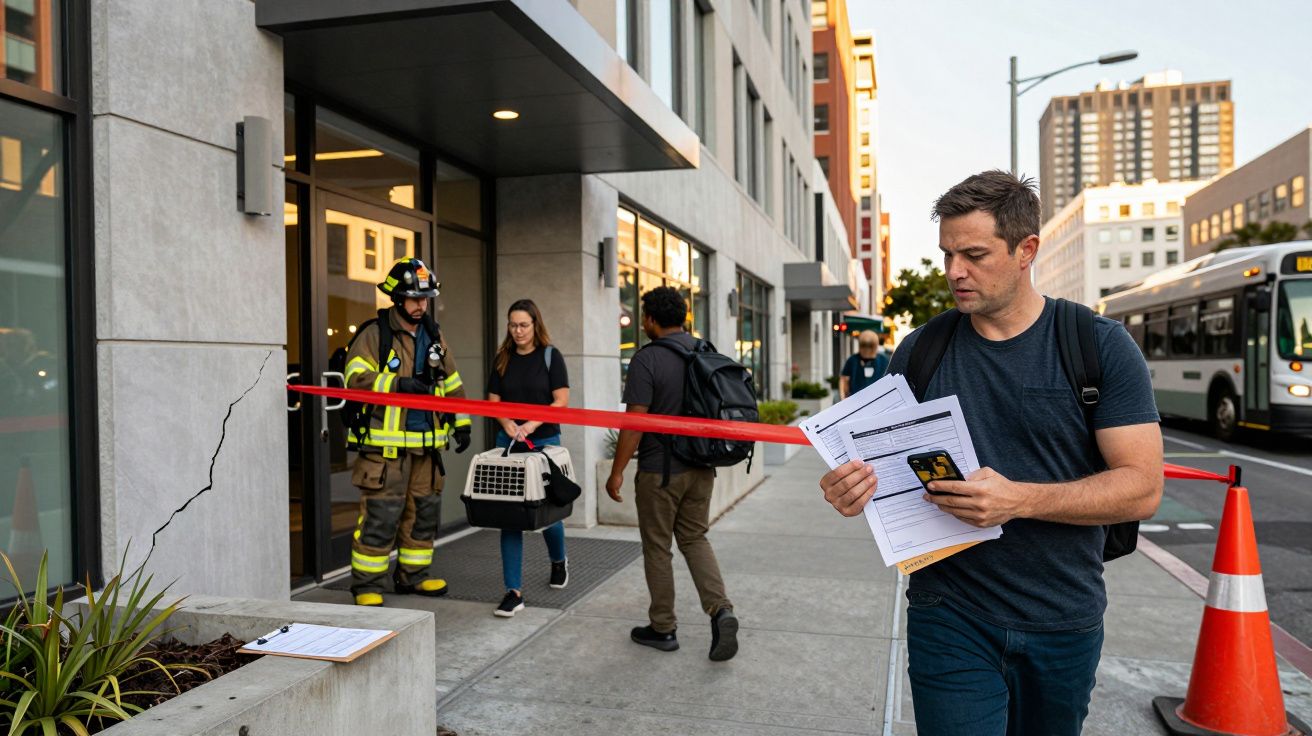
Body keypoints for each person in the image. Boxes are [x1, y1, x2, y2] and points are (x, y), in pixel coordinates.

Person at [818, 171, 1163, 735]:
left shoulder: (1098, 346)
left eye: (974, 254)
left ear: (1027, 249)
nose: (955, 271)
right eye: (948, 254)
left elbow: (1142, 487)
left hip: (1063, 619)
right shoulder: (920, 351)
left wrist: (1017, 500)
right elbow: (875, 462)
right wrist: (849, 486)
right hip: (948, 611)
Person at [605, 286, 739, 662]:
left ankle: (663, 627)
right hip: (702, 467)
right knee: (695, 539)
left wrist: (616, 472)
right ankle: (721, 610)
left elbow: (633, 423)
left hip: (659, 472)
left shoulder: (647, 360)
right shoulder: (705, 352)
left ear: (649, 319)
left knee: (657, 548)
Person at [342, 258, 472, 607]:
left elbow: (453, 383)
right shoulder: (374, 334)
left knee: (423, 513)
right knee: (381, 515)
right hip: (384, 451)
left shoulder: (434, 335)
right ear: (397, 298)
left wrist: (461, 422)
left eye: (425, 299)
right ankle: (367, 583)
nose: (420, 305)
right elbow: (355, 379)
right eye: (414, 299)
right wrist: (399, 384)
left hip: (426, 448)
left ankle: (413, 576)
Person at [486, 299, 571, 618]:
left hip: (544, 441)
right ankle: (513, 592)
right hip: (508, 442)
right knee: (510, 516)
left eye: (523, 325)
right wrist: (507, 423)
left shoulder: (551, 356)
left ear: (536, 325)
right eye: (512, 325)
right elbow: (493, 400)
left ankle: (559, 559)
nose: (518, 331)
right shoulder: (502, 358)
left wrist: (530, 424)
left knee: (547, 511)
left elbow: (561, 400)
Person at [839, 330, 889, 398]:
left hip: (878, 399)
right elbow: (844, 380)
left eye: (870, 346)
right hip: (856, 399)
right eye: (864, 345)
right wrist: (844, 398)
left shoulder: (883, 360)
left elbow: (888, 380)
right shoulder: (853, 360)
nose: (867, 349)